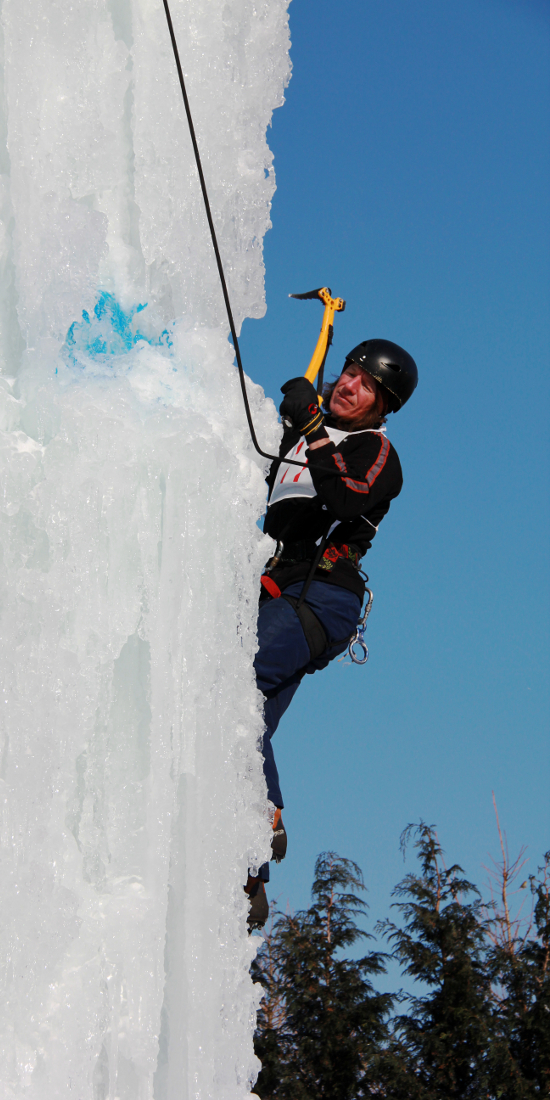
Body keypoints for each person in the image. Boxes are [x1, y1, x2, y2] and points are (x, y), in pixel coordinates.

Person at [245, 339, 418, 929]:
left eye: (365, 384)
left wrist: (314, 425)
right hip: (278, 592)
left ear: (383, 404)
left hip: (323, 598)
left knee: (228, 688)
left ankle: (266, 816)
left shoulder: (377, 451)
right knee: (245, 727)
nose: (348, 385)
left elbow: (346, 496)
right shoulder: (303, 435)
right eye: (347, 372)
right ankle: (249, 881)